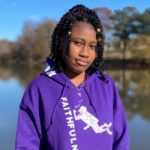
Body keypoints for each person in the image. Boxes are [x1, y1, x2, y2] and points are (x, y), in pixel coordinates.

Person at [15, 4, 130, 150]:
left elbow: (121, 140)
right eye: (78, 43)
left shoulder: (106, 86)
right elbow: (27, 144)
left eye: (92, 46)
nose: (85, 53)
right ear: (61, 42)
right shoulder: (39, 88)